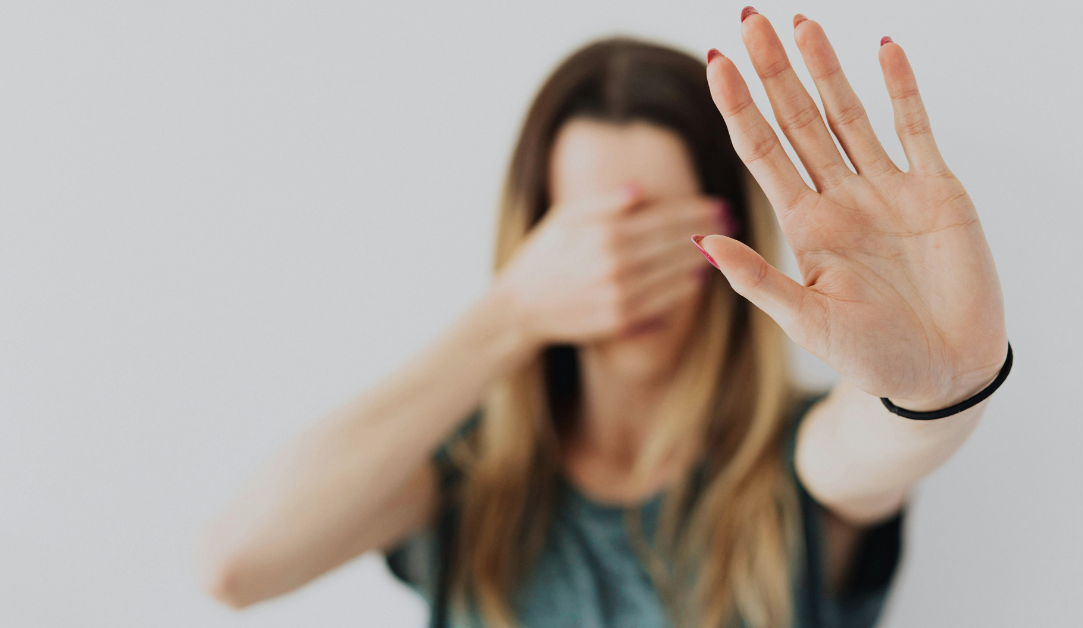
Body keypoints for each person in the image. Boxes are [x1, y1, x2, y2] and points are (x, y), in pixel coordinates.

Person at [196, 8, 1009, 628]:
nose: (625, 273)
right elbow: (236, 566)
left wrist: (943, 386)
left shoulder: (791, 465)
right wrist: (509, 312)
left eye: (665, 231)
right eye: (591, 233)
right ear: (536, 236)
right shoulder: (464, 473)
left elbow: (883, 442)